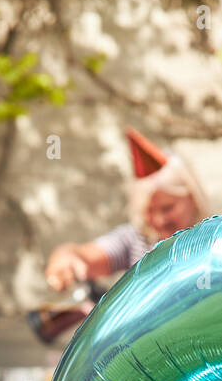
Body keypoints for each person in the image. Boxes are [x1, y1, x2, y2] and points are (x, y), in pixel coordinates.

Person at [40, 128, 210, 330]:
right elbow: (83, 255)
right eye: (149, 211)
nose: (158, 220)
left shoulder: (213, 242)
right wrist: (66, 260)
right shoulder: (137, 240)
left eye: (168, 208)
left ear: (191, 198)